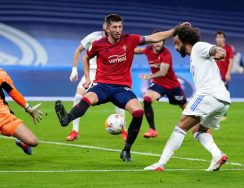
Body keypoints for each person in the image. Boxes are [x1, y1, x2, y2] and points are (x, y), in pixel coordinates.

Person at [55, 13, 189, 162]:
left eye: (120, 26)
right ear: (107, 28)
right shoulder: (98, 44)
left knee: (138, 112)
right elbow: (85, 58)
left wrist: (176, 29)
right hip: (103, 86)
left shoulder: (130, 39)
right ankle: (67, 118)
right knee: (87, 98)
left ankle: (126, 150)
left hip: (121, 88)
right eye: (114, 27)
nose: (118, 30)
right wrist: (87, 78)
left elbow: (155, 38)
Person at [144, 25, 230, 171]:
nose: (176, 48)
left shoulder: (198, 47)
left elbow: (216, 50)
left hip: (208, 95)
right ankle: (217, 155)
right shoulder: (195, 56)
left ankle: (160, 163)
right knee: (198, 130)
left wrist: (220, 52)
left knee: (180, 127)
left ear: (185, 41)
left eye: (177, 43)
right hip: (223, 100)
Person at [67, 26, 127, 141]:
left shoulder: (119, 39)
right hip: (91, 72)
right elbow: (78, 50)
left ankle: (124, 130)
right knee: (78, 97)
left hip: (108, 74)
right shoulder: (94, 37)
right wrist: (74, 69)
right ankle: (74, 130)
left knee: (119, 100)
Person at [134, 31, 187, 138]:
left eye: (160, 41)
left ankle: (204, 127)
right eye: (156, 41)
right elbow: (138, 50)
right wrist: (125, 49)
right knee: (147, 99)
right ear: (153, 41)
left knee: (186, 108)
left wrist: (149, 77)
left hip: (172, 85)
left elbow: (163, 72)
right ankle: (152, 130)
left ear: (163, 42)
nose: (158, 43)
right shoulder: (148, 49)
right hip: (159, 84)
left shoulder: (166, 54)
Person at [215, 31, 234, 121]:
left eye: (221, 37)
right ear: (216, 38)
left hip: (223, 76)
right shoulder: (213, 49)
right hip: (214, 77)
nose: (219, 39)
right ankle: (214, 114)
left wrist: (228, 73)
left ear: (224, 38)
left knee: (224, 96)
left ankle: (223, 114)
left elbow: (231, 61)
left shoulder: (228, 48)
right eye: (218, 37)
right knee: (214, 96)